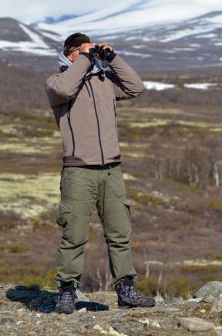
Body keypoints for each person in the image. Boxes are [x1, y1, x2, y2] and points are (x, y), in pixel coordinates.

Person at [45, 32, 156, 314]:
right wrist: (85, 57)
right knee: (74, 235)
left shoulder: (103, 82)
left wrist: (112, 58)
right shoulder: (56, 82)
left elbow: (136, 86)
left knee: (120, 233)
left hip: (111, 170)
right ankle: (67, 291)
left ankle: (126, 290)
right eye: (84, 52)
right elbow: (65, 91)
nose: (91, 56)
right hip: (78, 171)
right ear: (72, 53)